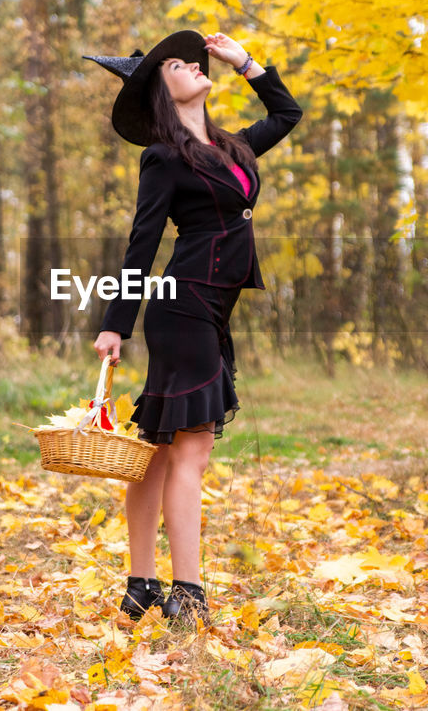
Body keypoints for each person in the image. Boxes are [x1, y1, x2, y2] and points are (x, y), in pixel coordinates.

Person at [83, 30, 302, 622]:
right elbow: (142, 242)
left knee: (159, 450)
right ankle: (188, 592)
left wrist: (246, 62)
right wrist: (115, 324)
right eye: (178, 65)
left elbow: (288, 112)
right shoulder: (163, 158)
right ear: (163, 91)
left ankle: (140, 585)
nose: (194, 66)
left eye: (192, 59)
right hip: (183, 308)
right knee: (193, 449)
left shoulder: (232, 148)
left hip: (209, 309)